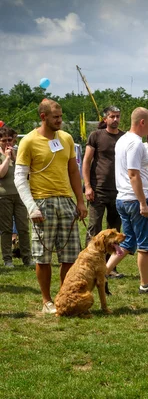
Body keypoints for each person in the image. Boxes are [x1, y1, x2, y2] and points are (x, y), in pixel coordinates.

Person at [15, 99, 87, 314]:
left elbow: (74, 171)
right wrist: (31, 207)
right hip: (41, 203)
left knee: (70, 255)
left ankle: (64, 296)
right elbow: (20, 178)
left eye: (61, 116)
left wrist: (80, 201)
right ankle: (46, 301)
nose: (60, 120)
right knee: (42, 257)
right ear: (43, 117)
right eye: (56, 117)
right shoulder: (28, 141)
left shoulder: (66, 138)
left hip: (66, 202)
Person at [105, 108, 148, 295]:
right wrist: (143, 203)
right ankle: (145, 285)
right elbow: (133, 173)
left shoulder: (122, 140)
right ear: (142, 123)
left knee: (128, 242)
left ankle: (102, 273)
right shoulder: (136, 143)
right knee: (145, 244)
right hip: (135, 199)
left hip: (122, 198)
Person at [82, 105, 125, 278]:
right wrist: (88, 186)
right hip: (98, 190)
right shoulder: (96, 136)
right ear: (105, 118)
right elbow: (86, 161)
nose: (115, 119)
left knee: (114, 232)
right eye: (112, 116)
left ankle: (109, 267)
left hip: (119, 191)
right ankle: (88, 264)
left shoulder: (124, 137)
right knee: (94, 228)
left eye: (118, 116)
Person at [0, 126, 32, 268]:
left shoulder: (19, 153)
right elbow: (1, 174)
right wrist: (7, 158)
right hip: (4, 196)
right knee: (6, 229)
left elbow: (27, 174)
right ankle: (7, 259)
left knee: (23, 228)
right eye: (3, 140)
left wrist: (15, 157)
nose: (7, 143)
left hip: (20, 195)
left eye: (10, 140)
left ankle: (27, 258)